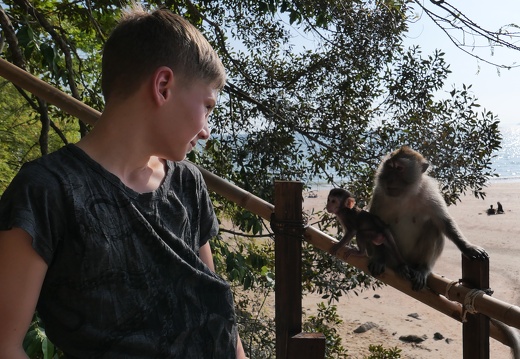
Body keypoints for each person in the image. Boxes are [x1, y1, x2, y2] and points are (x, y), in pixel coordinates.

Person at [0, 5, 246, 358]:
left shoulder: (187, 184)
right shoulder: (45, 192)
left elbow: (216, 310)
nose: (206, 131)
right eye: (207, 106)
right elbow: (4, 345)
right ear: (163, 86)